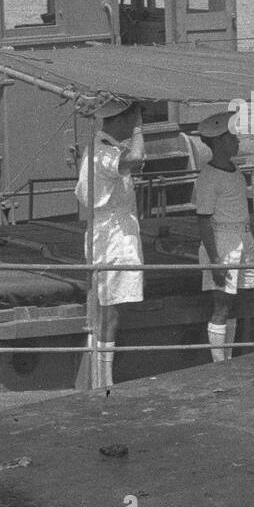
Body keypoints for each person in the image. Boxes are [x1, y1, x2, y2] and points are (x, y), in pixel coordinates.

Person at [75, 95, 145, 389]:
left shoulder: (107, 149)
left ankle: (101, 378)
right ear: (122, 119)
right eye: (132, 119)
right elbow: (137, 159)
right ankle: (104, 384)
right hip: (112, 236)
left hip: (115, 232)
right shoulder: (102, 152)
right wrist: (140, 130)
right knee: (109, 311)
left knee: (109, 309)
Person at [194, 111, 254, 361]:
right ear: (218, 142)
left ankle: (230, 357)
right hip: (222, 242)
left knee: (239, 305)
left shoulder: (235, 171)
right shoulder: (209, 177)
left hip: (242, 239)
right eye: (232, 137)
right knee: (222, 306)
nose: (237, 140)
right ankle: (220, 363)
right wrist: (215, 260)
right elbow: (203, 220)